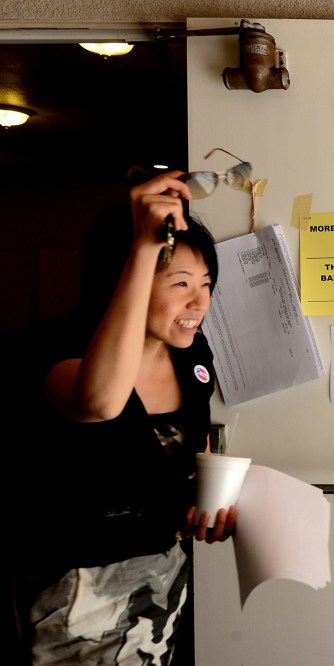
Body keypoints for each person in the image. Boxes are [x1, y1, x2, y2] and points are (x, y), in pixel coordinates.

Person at [10, 171, 236, 665]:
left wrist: (205, 505)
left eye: (206, 284)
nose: (200, 302)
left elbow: (185, 462)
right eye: (180, 283)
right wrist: (142, 246)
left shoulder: (191, 360)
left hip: (161, 585)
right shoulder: (55, 349)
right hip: (72, 597)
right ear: (123, 279)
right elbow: (101, 403)